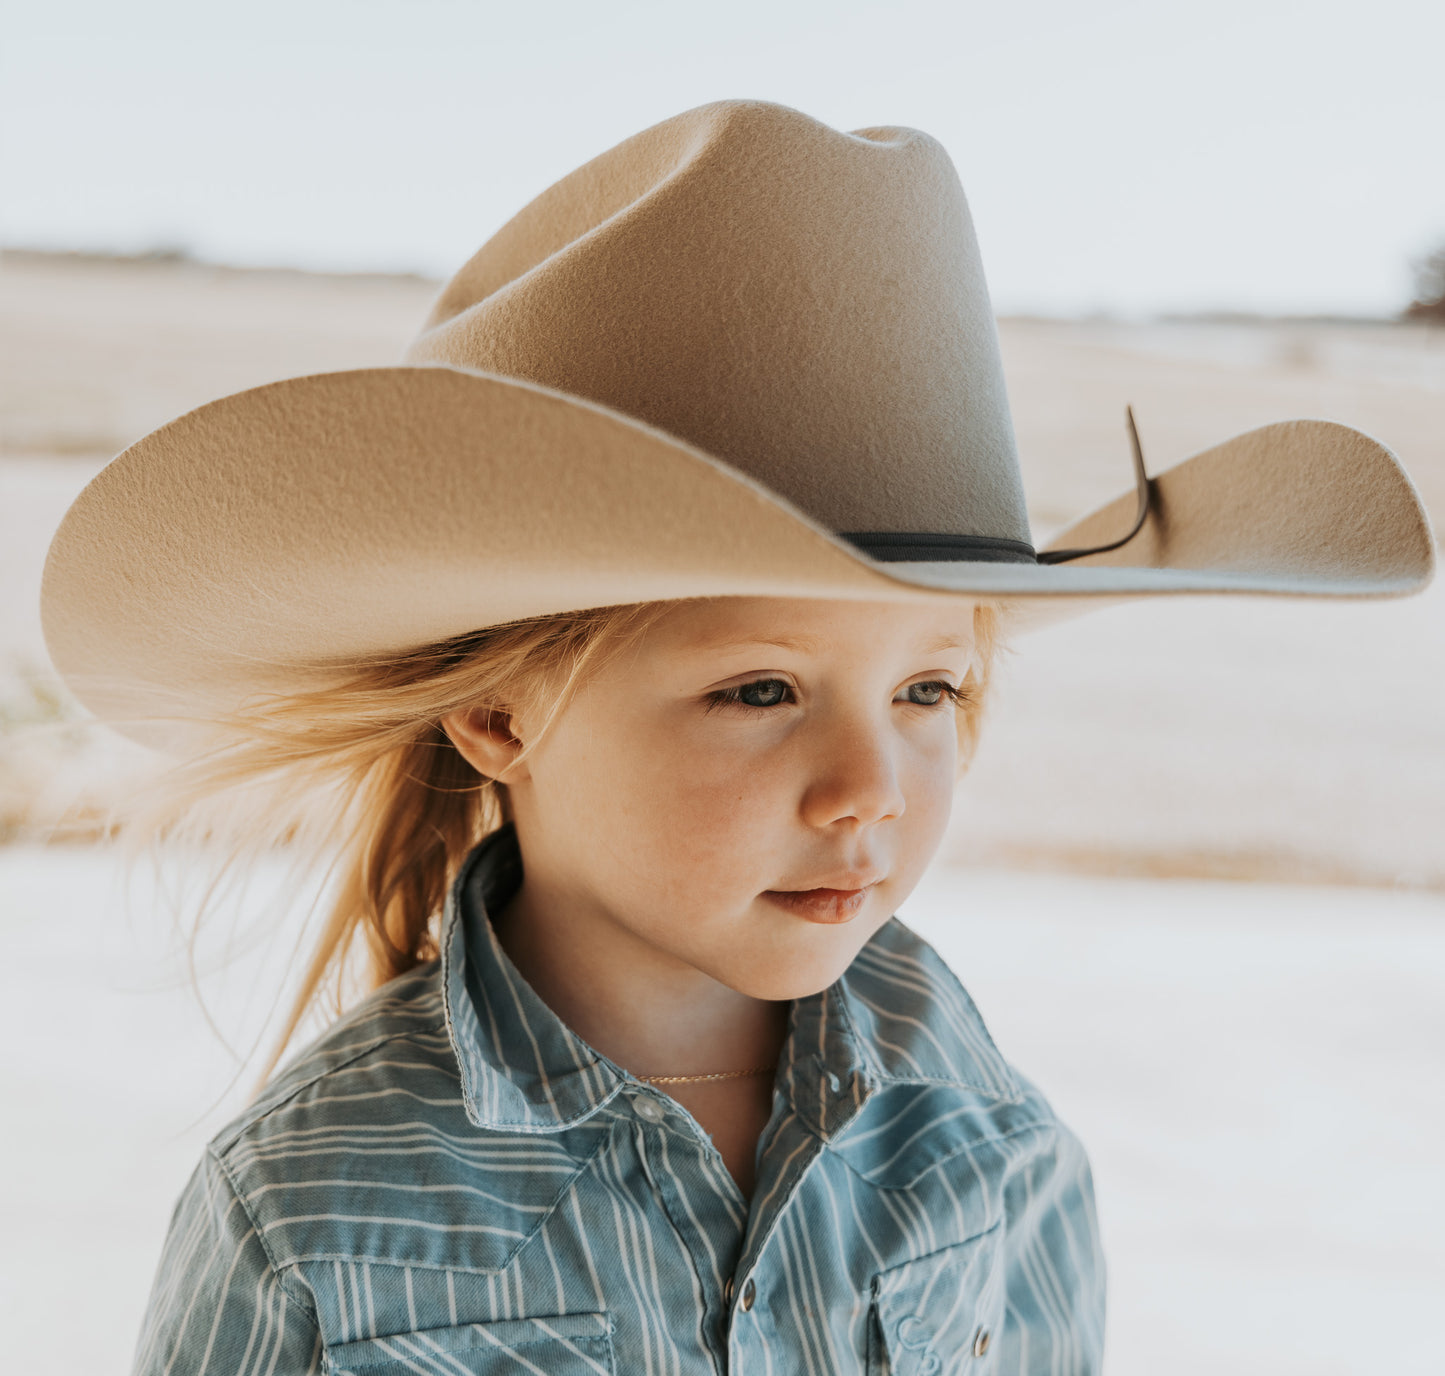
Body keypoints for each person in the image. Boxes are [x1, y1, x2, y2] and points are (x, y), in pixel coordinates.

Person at [41, 99, 1433, 1375]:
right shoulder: (322, 1205)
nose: (865, 793)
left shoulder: (975, 1122)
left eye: (927, 692)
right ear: (499, 712)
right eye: (759, 690)